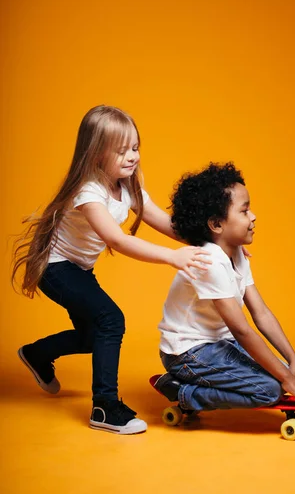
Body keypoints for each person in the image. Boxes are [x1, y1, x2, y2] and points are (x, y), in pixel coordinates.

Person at [12, 105, 210, 435]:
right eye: (121, 151)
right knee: (111, 320)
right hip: (56, 269)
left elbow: (171, 226)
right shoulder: (89, 192)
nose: (132, 157)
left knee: (94, 335)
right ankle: (104, 406)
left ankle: (36, 353)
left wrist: (216, 240)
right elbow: (116, 240)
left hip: (78, 269)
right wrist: (173, 258)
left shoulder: (128, 188)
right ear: (95, 153)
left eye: (135, 148)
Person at [154, 162, 295, 413]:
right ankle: (182, 392)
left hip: (220, 343)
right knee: (270, 389)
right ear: (216, 224)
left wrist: (292, 360)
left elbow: (261, 314)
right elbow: (242, 330)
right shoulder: (209, 262)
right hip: (187, 353)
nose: (253, 216)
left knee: (280, 375)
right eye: (244, 211)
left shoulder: (236, 253)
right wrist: (287, 378)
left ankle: (198, 386)